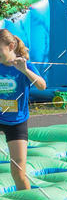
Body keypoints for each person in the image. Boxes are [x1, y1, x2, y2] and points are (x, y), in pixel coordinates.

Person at [0, 30, 46, 190]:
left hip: (16, 122)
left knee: (18, 173)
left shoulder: (24, 65)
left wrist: (25, 71)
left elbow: (42, 86)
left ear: (11, 46)